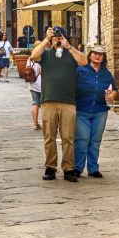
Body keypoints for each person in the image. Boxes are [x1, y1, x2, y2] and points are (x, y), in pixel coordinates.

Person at [29, 26, 87, 182]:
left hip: (68, 102)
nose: (57, 39)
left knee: (68, 137)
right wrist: (47, 40)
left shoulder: (70, 53)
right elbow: (34, 56)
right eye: (55, 37)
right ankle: (50, 167)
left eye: (59, 36)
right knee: (49, 137)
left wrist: (69, 46)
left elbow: (84, 61)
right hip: (48, 101)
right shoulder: (46, 54)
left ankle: (68, 168)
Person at [75, 44, 117, 178]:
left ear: (104, 57)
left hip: (100, 111)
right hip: (82, 110)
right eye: (95, 53)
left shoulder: (106, 73)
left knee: (95, 141)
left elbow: (114, 89)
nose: (97, 56)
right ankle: (78, 168)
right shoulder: (80, 70)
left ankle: (93, 168)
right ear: (90, 55)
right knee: (82, 139)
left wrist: (112, 96)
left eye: (100, 54)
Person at [25, 55, 42, 130]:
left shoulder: (30, 58)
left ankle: (35, 124)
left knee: (35, 103)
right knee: (44, 105)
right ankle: (46, 124)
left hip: (32, 83)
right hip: (41, 84)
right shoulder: (42, 57)